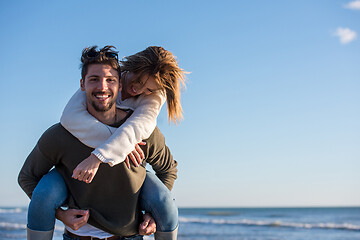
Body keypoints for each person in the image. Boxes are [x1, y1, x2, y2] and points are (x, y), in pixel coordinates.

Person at [18, 46, 179, 240]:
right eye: (94, 79)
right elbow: (27, 177)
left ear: (118, 84)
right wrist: (60, 214)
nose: (102, 87)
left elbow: (168, 170)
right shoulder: (61, 133)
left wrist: (153, 214)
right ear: (82, 84)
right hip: (77, 237)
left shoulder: (144, 133)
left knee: (165, 200)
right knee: (44, 192)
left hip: (129, 236)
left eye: (110, 80)